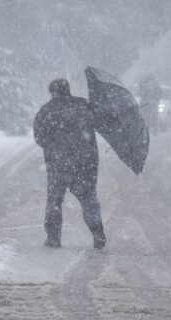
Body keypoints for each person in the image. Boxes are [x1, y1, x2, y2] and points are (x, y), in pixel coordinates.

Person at [33, 79, 106, 249]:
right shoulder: (84, 105)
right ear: (68, 90)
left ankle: (53, 238)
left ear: (53, 92)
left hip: (58, 164)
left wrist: (55, 146)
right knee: (88, 199)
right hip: (86, 162)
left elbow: (39, 138)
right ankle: (98, 234)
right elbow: (101, 122)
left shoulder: (46, 111)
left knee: (54, 201)